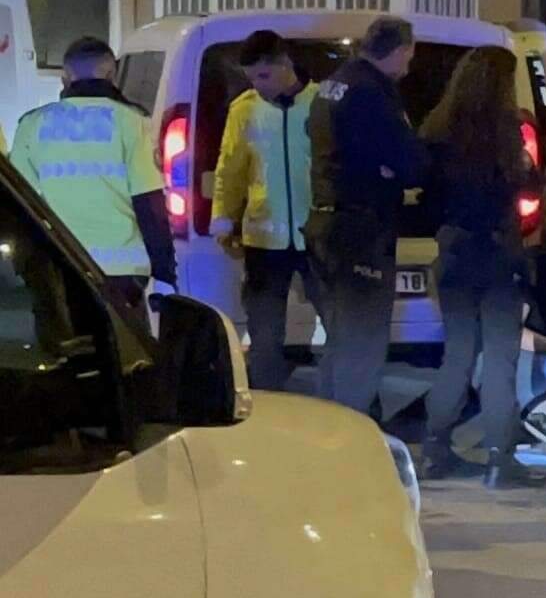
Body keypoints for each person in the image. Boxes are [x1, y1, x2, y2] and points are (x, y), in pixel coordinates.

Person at [411, 46, 545, 485]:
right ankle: (499, 458)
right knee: (502, 357)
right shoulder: (507, 132)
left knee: (458, 354)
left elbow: (426, 193)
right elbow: (527, 185)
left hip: (453, 250)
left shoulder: (437, 128)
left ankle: (435, 449)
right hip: (498, 252)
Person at [306, 16, 431, 414]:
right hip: (361, 230)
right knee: (363, 343)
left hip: (326, 223)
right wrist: (396, 170)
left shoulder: (334, 83)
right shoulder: (372, 92)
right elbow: (409, 159)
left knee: (340, 340)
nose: (409, 64)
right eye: (409, 55)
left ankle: (327, 427)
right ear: (400, 50)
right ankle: (352, 433)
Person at [9, 37, 175, 314]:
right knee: (125, 342)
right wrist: (165, 275)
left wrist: (23, 264)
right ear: (111, 76)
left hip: (57, 266)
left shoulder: (32, 124)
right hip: (122, 273)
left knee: (64, 340)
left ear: (65, 77)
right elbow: (150, 204)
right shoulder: (132, 122)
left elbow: (18, 204)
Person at [209, 30, 321, 391]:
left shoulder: (320, 103)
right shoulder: (244, 109)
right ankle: (266, 402)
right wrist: (223, 220)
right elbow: (230, 170)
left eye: (264, 75)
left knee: (337, 323)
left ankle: (345, 402)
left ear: (285, 64)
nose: (258, 85)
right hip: (263, 238)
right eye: (252, 78)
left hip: (315, 235)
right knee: (265, 333)